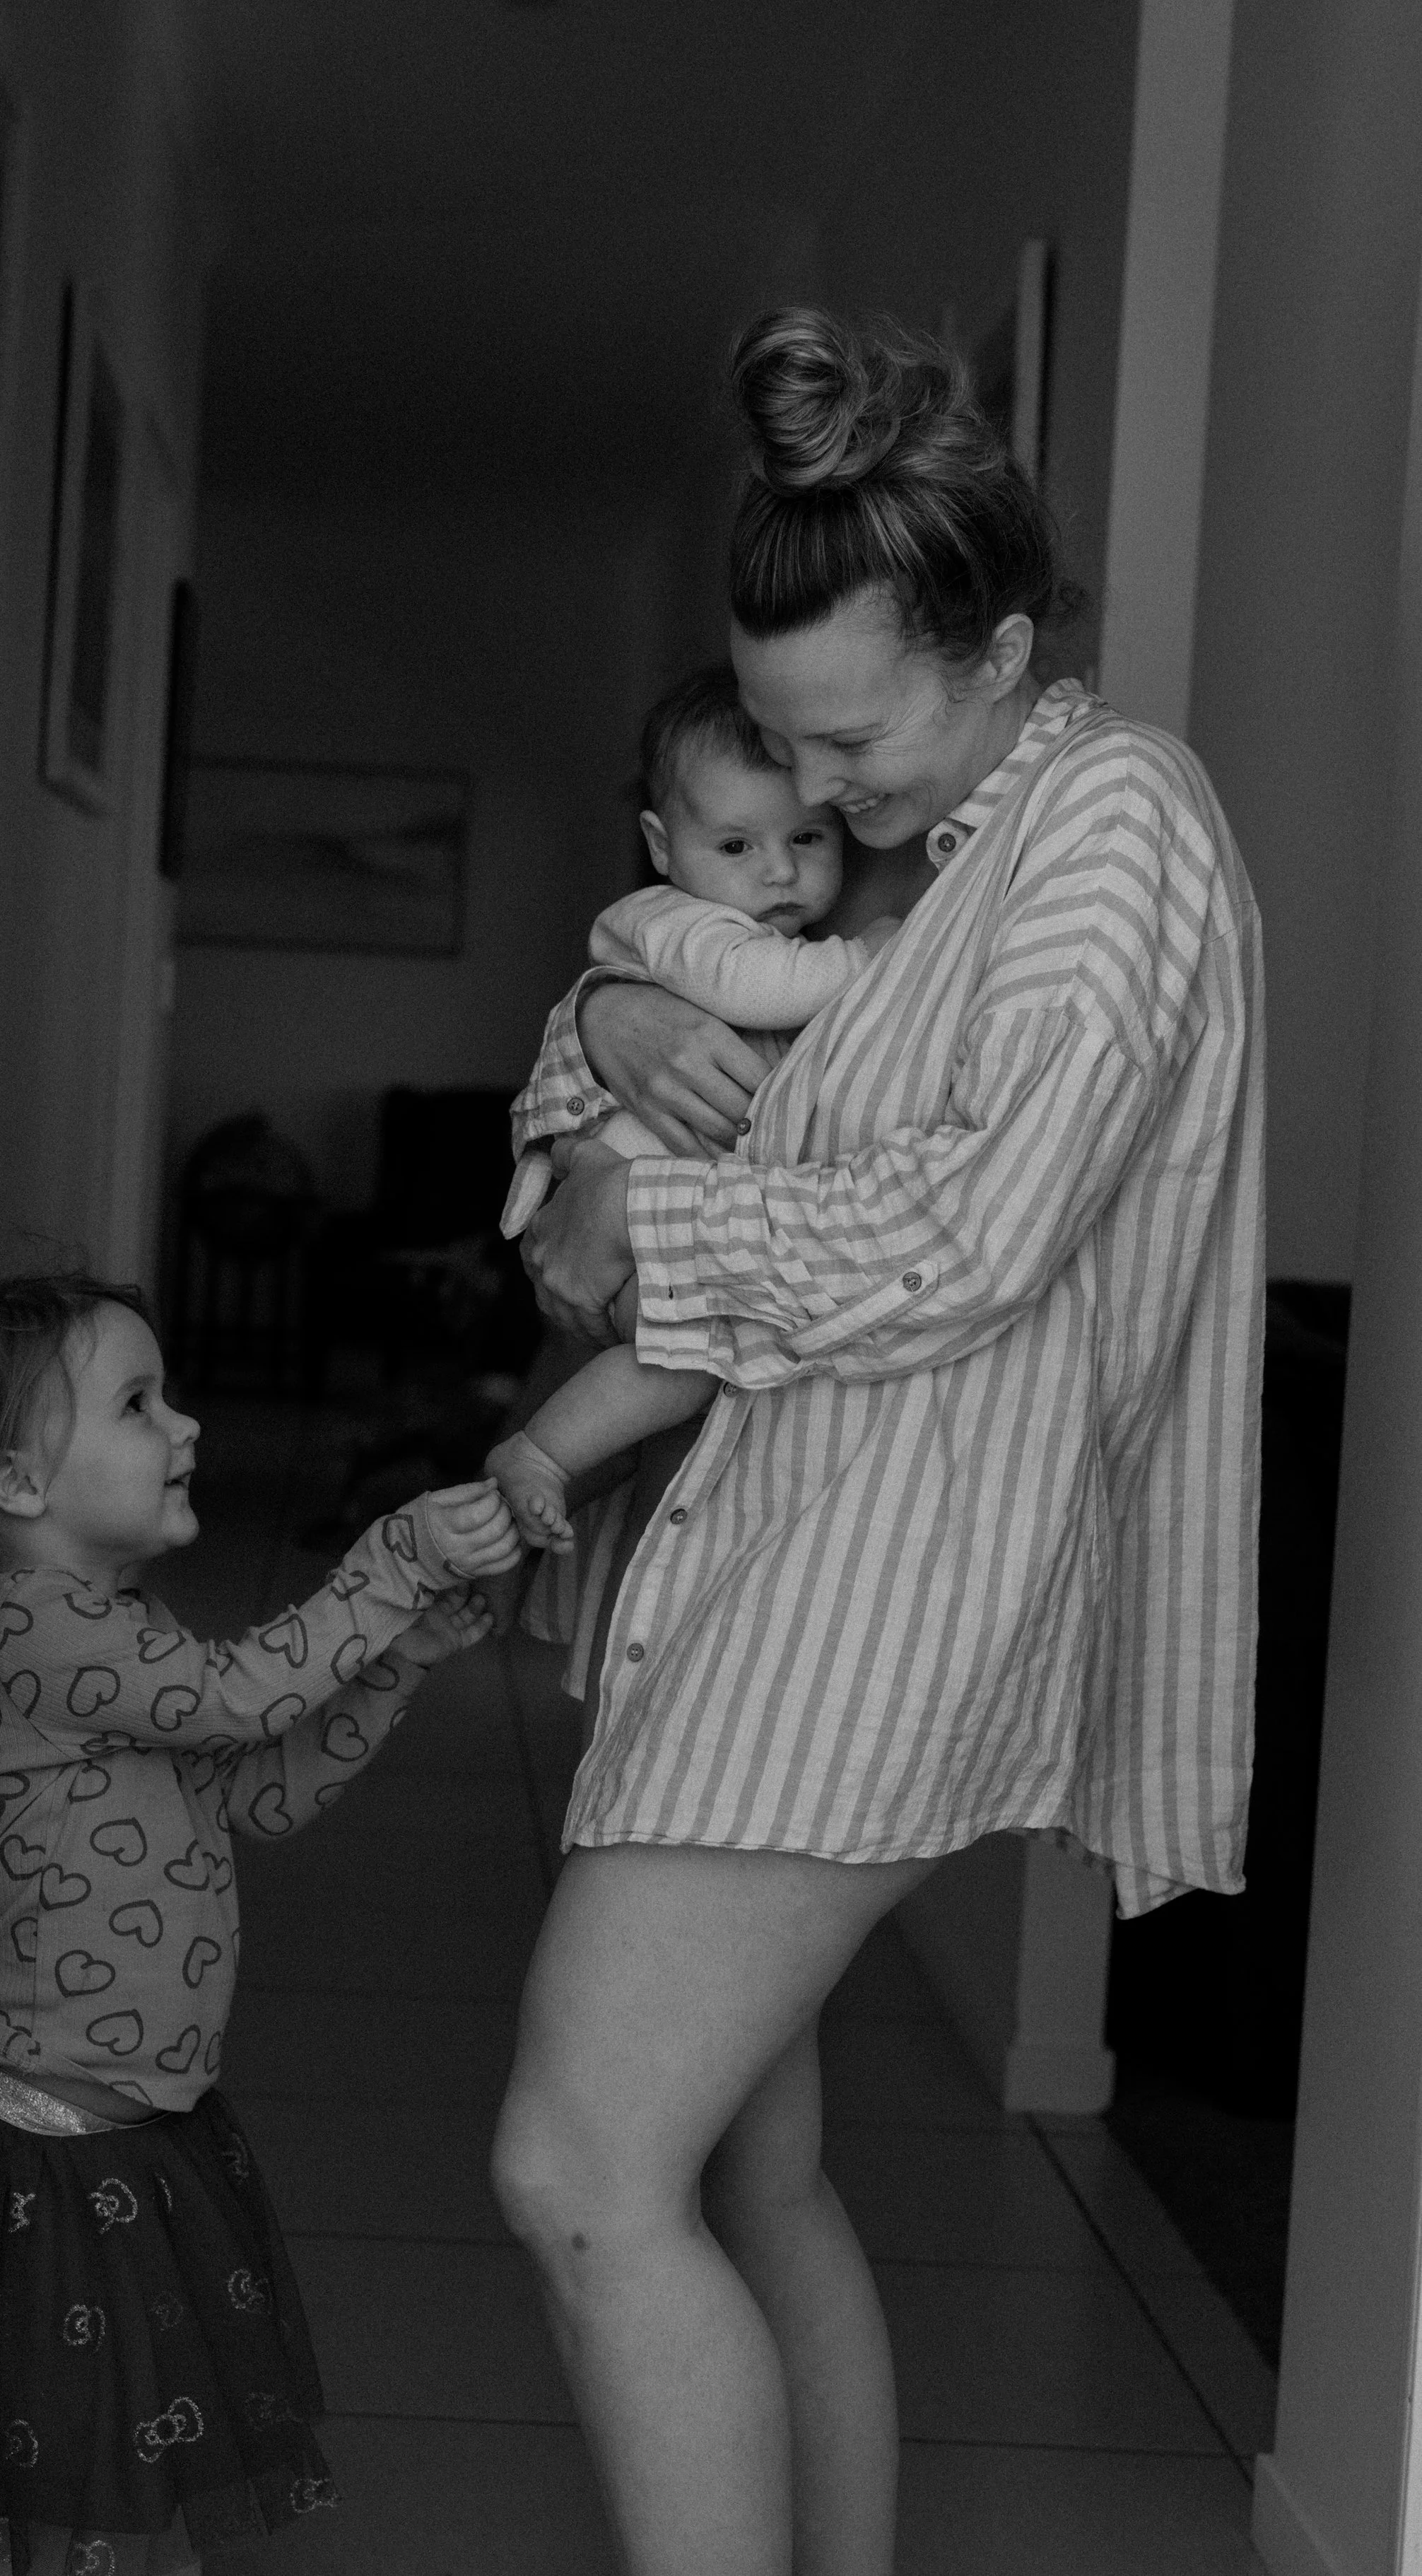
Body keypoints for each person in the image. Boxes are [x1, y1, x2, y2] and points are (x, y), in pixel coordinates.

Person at [489, 310, 1264, 2576]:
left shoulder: (1107, 820)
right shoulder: (932, 861)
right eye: (782, 750)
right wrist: (617, 1012)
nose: (811, 798)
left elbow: (975, 1225)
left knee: (574, 2165)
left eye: (843, 739)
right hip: (774, 1554)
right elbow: (631, 1126)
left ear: (998, 650)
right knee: (743, 2166)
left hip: (875, 1587)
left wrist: (655, 1217)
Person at [0, 1271, 520, 2576]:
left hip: (119, 2133)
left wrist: (400, 1657)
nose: (184, 1424)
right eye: (137, 1404)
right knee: (33, 2477)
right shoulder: (25, 1624)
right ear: (18, 1486)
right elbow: (246, 1697)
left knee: (92, 2476)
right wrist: (396, 1557)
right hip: (29, 2149)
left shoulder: (111, 1624)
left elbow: (258, 1789)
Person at [488, 662, 894, 1550]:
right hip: (632, 1206)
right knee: (704, 1350)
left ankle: (545, 1480)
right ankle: (542, 1458)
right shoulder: (670, 920)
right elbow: (747, 986)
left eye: (810, 838)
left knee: (669, 1381)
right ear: (663, 844)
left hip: (654, 1214)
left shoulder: (745, 916)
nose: (780, 871)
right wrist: (868, 960)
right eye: (737, 846)